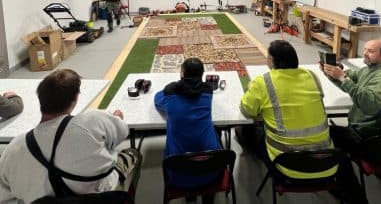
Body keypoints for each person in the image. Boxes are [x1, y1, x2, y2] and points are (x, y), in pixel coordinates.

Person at [0, 69, 141, 203]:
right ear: (75, 98)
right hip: (102, 196)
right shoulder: (93, 120)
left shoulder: (14, 148)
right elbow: (122, 132)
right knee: (132, 153)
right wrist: (116, 118)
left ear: (40, 100)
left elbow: (4, 195)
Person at [239, 40, 337, 181]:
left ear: (271, 60)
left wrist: (250, 88)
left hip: (286, 164)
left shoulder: (262, 82)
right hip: (326, 162)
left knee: (244, 129)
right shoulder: (311, 75)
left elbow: (247, 110)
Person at [321, 39, 381, 199]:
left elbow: (369, 105)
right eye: (365, 49)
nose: (364, 53)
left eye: (370, 51)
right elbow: (352, 79)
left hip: (373, 140)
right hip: (378, 134)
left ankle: (352, 194)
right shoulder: (370, 70)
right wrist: (333, 74)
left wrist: (343, 79)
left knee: (326, 137)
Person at [154, 58, 221, 204]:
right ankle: (207, 196)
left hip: (179, 173)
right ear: (202, 74)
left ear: (182, 73)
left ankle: (190, 198)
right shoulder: (208, 93)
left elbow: (157, 99)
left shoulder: (170, 96)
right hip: (212, 170)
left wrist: (170, 88)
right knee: (217, 133)